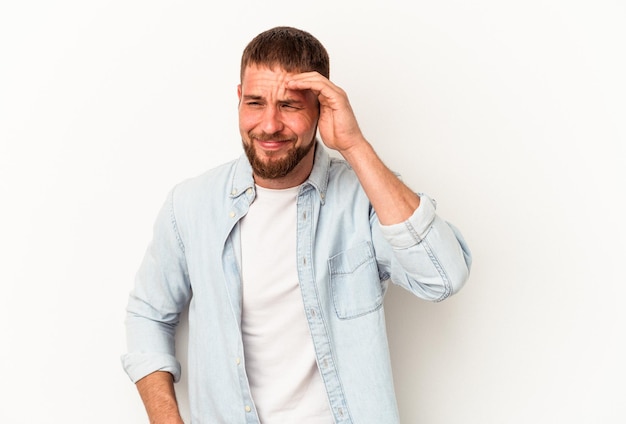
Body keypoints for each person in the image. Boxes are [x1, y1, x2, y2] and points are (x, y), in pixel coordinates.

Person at [122, 26, 472, 424]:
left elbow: (443, 277)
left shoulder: (365, 198)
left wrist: (355, 145)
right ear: (239, 99)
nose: (269, 125)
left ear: (322, 108)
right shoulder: (190, 206)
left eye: (289, 106)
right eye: (255, 102)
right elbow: (148, 315)